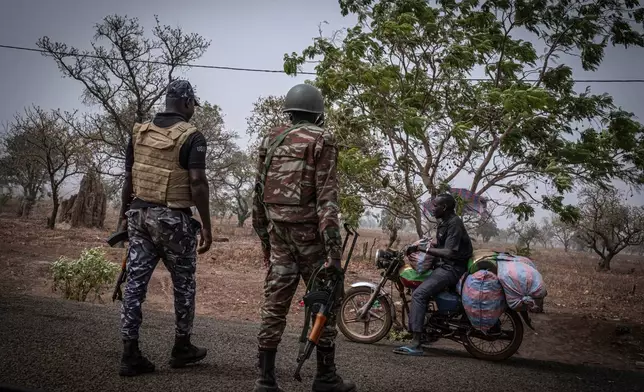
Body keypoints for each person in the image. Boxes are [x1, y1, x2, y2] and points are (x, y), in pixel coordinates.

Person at [251, 83, 356, 392]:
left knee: (275, 304)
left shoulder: (271, 139)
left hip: (279, 235)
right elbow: (327, 200)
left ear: (290, 112)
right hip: (311, 240)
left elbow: (257, 195)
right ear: (318, 115)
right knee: (326, 300)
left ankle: (265, 380)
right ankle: (324, 378)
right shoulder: (323, 139)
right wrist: (334, 252)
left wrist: (265, 241)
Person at [117, 79, 213, 376]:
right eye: (193, 105)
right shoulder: (193, 137)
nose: (193, 110)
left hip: (139, 216)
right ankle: (181, 347)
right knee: (183, 285)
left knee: (134, 285)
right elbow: (197, 183)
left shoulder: (139, 133)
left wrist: (123, 216)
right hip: (174, 221)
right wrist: (207, 226)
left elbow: (129, 180)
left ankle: (130, 353)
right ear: (186, 103)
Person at [393, 193, 473, 356]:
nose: (432, 208)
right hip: (445, 266)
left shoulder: (454, 223)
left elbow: (449, 252)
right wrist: (420, 244)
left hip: (452, 268)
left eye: (436, 206)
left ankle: (416, 344)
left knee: (419, 294)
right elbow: (440, 243)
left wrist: (423, 249)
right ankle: (427, 329)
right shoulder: (444, 222)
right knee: (419, 289)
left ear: (444, 208)